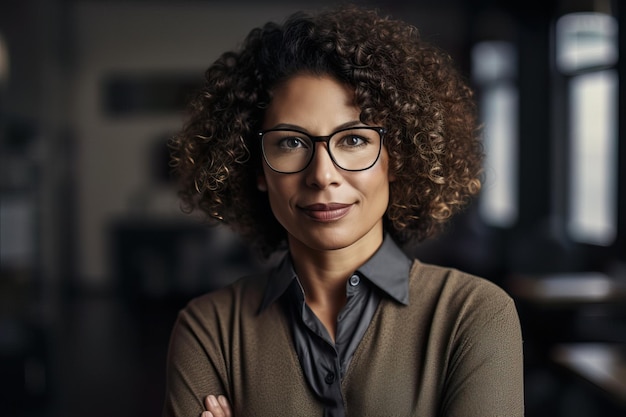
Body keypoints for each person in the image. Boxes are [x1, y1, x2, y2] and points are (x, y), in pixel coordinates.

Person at [163, 5, 524, 417]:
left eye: (353, 140)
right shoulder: (208, 330)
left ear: (397, 157)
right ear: (257, 167)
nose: (322, 175)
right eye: (291, 142)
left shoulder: (472, 315)